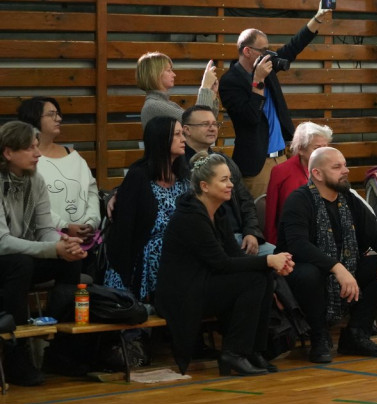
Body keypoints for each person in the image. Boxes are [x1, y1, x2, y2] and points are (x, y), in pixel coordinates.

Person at [157, 153, 294, 376]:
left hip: (205, 282)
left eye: (230, 179)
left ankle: (251, 350)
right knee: (253, 279)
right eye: (224, 180)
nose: (231, 184)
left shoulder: (217, 212)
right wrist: (268, 260)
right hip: (182, 293)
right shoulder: (190, 217)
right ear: (205, 186)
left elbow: (233, 255)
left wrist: (270, 265)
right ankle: (233, 353)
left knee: (264, 276)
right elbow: (221, 263)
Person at [277, 147, 377, 363]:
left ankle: (356, 334)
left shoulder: (349, 199)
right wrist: (337, 268)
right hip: (303, 272)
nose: (345, 170)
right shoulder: (299, 200)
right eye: (337, 167)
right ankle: (319, 337)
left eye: (345, 165)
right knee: (310, 273)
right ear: (317, 174)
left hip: (345, 268)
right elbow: (299, 246)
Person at [0, 121, 87, 386]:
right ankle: (15, 355)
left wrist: (66, 245)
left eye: (37, 147)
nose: (38, 154)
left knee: (70, 263)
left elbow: (45, 229)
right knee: (21, 264)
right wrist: (52, 248)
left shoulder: (35, 179)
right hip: (8, 259)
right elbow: (2, 242)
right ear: (8, 153)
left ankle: (60, 349)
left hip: (22, 256)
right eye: (29, 148)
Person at [219, 2, 333, 197]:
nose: (268, 54)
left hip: (282, 158)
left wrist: (318, 18)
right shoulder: (230, 82)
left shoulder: (267, 66)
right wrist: (258, 81)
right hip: (257, 164)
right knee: (261, 217)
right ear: (247, 51)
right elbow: (250, 117)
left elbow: (293, 47)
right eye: (263, 50)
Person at [105, 116, 189, 301]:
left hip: (179, 251)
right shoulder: (139, 177)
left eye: (183, 134)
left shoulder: (184, 177)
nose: (183, 139)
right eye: (177, 135)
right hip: (143, 257)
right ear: (160, 139)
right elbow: (124, 232)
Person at [181, 105, 273, 256]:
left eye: (214, 124)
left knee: (282, 261)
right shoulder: (179, 165)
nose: (212, 128)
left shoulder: (224, 161)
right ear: (187, 130)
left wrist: (251, 233)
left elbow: (246, 201)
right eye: (205, 124)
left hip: (240, 237)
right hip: (205, 242)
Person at [16, 97, 101, 249]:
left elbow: (92, 191)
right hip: (43, 242)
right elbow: (28, 202)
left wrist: (91, 222)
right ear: (34, 118)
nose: (59, 119)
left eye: (58, 114)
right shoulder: (24, 160)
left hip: (86, 240)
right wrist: (65, 227)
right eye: (51, 114)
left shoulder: (73, 155)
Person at [137, 51, 218, 128]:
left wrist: (211, 94)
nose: (174, 74)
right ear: (154, 74)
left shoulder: (167, 104)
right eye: (169, 70)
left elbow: (207, 122)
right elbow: (198, 124)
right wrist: (205, 87)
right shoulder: (153, 106)